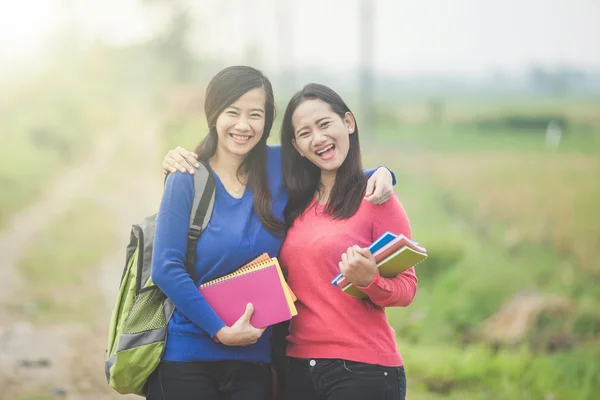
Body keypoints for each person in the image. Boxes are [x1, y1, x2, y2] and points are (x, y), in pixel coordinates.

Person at [149, 66, 396, 400]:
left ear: (267, 120)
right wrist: (220, 331)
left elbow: (333, 165)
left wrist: (381, 173)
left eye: (256, 114)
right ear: (213, 114)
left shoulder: (280, 166)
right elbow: (166, 268)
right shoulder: (187, 176)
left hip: (256, 362)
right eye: (232, 112)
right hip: (188, 358)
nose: (243, 125)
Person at [278, 83, 417, 400]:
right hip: (298, 367)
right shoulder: (293, 203)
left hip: (361, 369)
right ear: (297, 146)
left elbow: (407, 288)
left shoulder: (376, 197)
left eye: (325, 124)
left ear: (349, 123)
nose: (318, 138)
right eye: (305, 133)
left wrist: (371, 281)